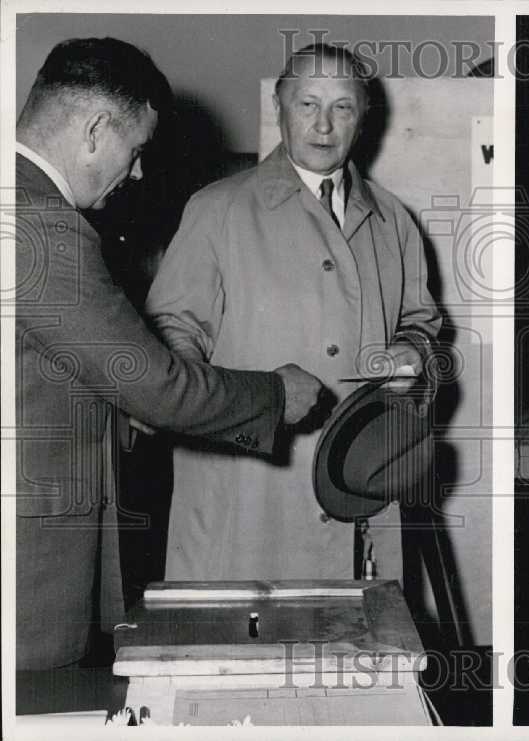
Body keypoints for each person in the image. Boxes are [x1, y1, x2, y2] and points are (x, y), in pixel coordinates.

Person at [14, 37, 325, 670]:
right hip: (26, 569)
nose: (136, 173)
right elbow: (156, 385)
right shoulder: (40, 223)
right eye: (135, 152)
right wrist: (275, 394)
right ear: (96, 129)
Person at [145, 43, 441, 582]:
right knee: (245, 651)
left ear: (363, 117)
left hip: (358, 477)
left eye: (342, 107)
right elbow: (173, 339)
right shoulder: (217, 209)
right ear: (278, 109)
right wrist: (215, 407)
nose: (324, 125)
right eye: (307, 104)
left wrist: (412, 351)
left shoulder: (393, 220)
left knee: (352, 651)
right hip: (249, 492)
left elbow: (422, 322)